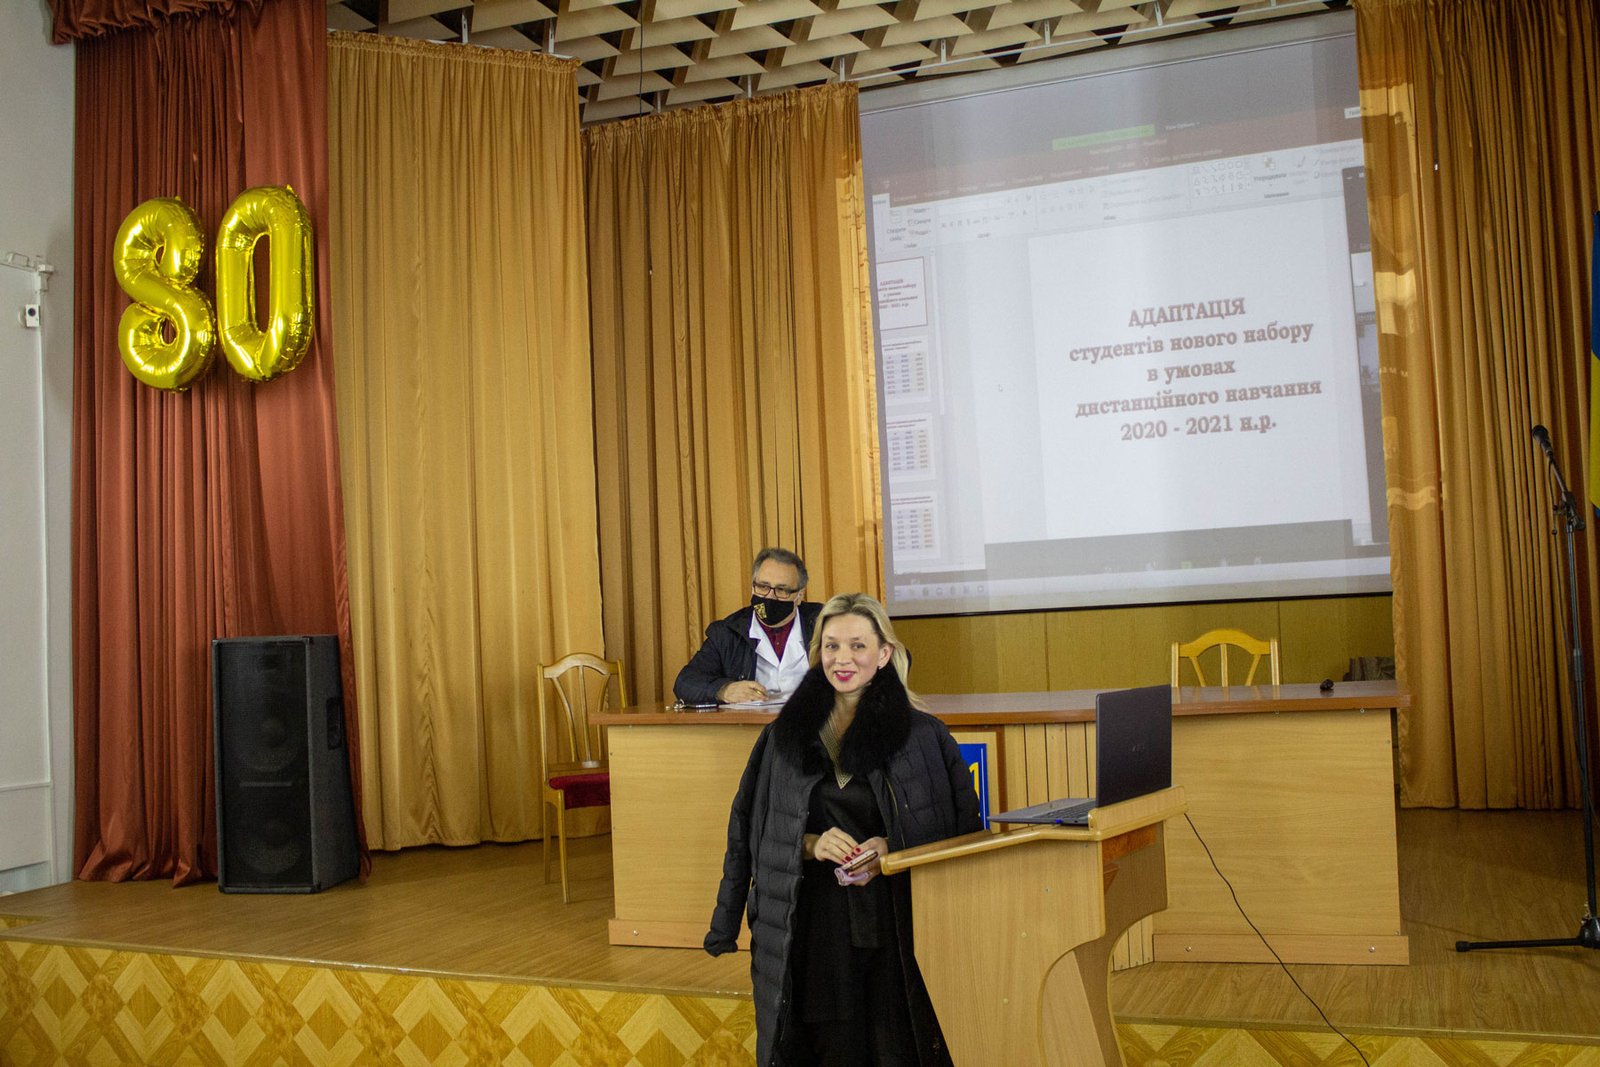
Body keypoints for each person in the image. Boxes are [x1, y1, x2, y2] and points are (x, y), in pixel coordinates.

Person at [706, 593, 983, 1067]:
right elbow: (751, 830)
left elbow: (960, 832)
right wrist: (810, 844)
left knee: (895, 1046)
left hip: (894, 924)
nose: (843, 659)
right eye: (832, 646)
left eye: (858, 646)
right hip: (813, 926)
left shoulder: (924, 735)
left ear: (884, 653)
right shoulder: (782, 736)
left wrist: (892, 848)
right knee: (827, 1049)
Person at [674, 548, 823, 706]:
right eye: (763, 586)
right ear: (753, 588)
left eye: (781, 590)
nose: (770, 596)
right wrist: (724, 690)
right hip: (750, 720)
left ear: (799, 596)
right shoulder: (727, 633)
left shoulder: (825, 623)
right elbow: (685, 683)